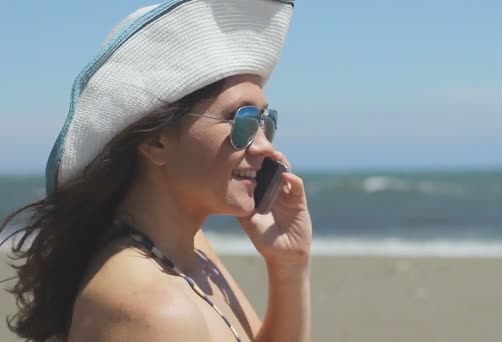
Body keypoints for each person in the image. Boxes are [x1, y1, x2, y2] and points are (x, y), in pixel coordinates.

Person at [0, 1, 311, 341]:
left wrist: (289, 264)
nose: (265, 146)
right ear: (157, 141)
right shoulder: (155, 311)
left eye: (267, 123)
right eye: (242, 121)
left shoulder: (189, 250)